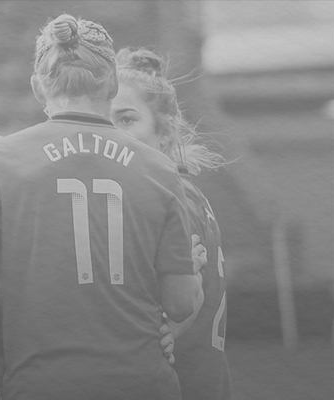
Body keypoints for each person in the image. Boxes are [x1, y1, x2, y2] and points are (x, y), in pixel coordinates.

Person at [0, 15, 205, 400]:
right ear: (113, 83)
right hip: (141, 383)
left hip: (39, 382)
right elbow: (180, 303)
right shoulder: (159, 169)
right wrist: (194, 280)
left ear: (38, 87)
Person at [112, 47, 230, 400]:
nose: (112, 132)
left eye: (126, 119)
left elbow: (179, 310)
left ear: (164, 131)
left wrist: (167, 331)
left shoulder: (173, 201)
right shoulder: (170, 192)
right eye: (103, 120)